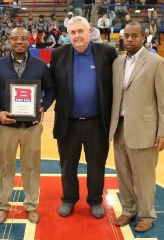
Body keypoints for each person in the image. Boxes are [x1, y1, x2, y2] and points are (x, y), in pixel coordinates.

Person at [0, 26, 55, 224]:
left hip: (32, 128)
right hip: (6, 127)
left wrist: (43, 107)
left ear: (29, 41)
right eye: (15, 38)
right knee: (5, 167)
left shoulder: (41, 65)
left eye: (23, 38)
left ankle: (31, 206)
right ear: (9, 40)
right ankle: (3, 206)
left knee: (32, 167)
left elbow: (51, 90)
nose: (19, 42)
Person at [50, 16, 117, 219]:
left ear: (90, 32)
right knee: (67, 165)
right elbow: (50, 87)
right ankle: (69, 199)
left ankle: (95, 200)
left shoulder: (107, 53)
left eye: (81, 31)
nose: (77, 36)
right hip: (68, 122)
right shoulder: (58, 54)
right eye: (73, 32)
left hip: (97, 122)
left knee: (97, 164)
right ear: (67, 34)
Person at [109, 21, 164, 232]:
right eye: (126, 35)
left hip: (145, 130)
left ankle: (146, 214)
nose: (129, 39)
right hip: (119, 128)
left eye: (134, 35)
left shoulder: (156, 62)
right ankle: (128, 209)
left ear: (143, 37)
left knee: (144, 176)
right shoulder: (117, 62)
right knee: (124, 173)